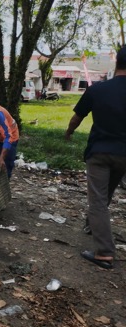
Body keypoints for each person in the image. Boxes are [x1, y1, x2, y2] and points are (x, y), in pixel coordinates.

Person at [65, 46, 126, 270]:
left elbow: (77, 117)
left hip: (100, 152)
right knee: (106, 192)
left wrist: (69, 132)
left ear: (116, 62)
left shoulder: (98, 89)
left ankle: (104, 253)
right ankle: (92, 225)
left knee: (98, 200)